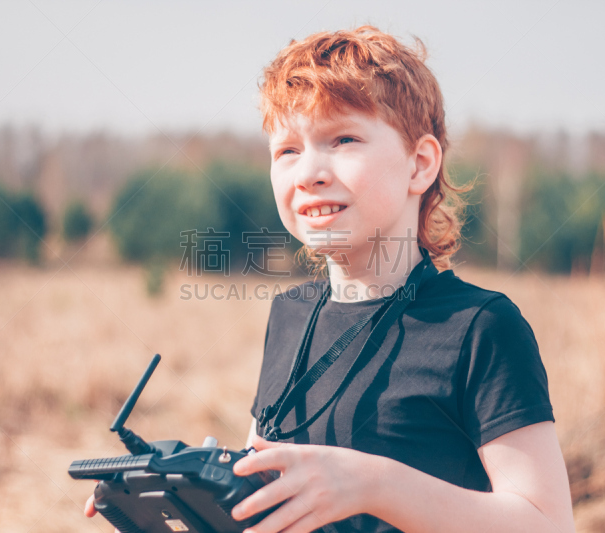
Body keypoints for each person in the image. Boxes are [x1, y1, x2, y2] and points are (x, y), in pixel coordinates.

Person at [86, 25, 575, 533]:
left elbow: (547, 522)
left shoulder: (481, 328)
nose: (308, 173)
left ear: (420, 164)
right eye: (287, 150)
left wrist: (372, 484)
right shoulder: (291, 313)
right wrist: (173, 497)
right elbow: (268, 497)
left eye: (343, 139)